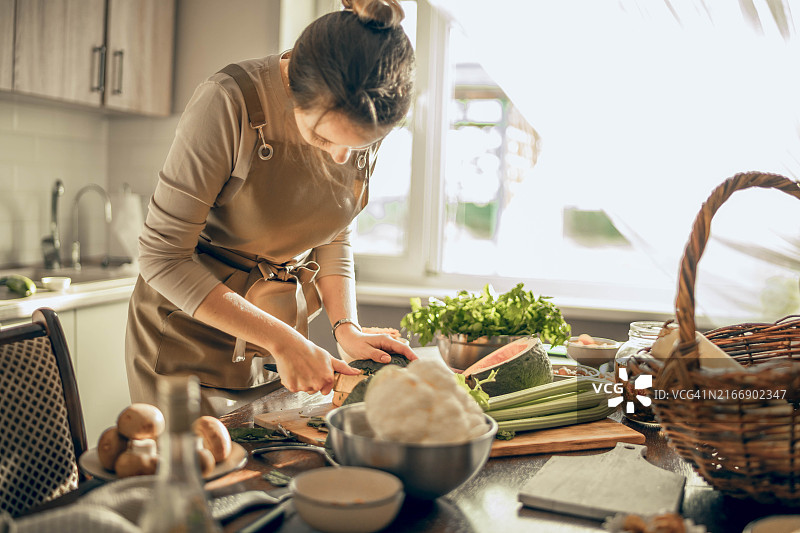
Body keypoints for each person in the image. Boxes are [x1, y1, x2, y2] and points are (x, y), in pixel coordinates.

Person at [125, 0, 417, 415]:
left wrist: (344, 327)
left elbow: (334, 229)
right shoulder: (228, 102)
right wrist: (283, 340)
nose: (340, 157)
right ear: (292, 90)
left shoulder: (364, 108)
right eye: (323, 138)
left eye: (360, 145)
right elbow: (161, 257)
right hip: (185, 345)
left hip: (275, 346)